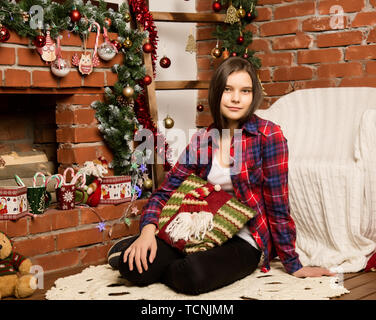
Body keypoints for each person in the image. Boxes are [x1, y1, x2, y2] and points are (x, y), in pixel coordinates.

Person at [107, 56, 335, 295]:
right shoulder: (202, 140)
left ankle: (168, 257)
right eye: (228, 89)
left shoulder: (269, 135)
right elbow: (166, 192)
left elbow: (278, 204)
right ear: (217, 92)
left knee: (192, 275)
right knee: (132, 268)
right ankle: (152, 250)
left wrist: (293, 263)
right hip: (202, 232)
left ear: (253, 95)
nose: (236, 98)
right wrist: (147, 232)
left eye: (245, 91)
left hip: (246, 238)